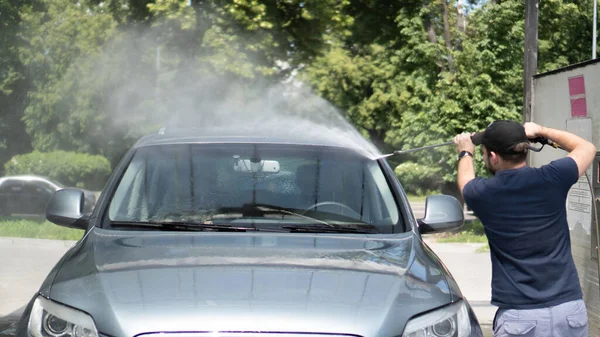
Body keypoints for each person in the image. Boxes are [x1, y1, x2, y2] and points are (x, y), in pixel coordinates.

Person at [453, 120, 596, 337]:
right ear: (524, 148)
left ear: (493, 156)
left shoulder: (484, 193)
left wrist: (465, 152)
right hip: (568, 312)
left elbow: (465, 181)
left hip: (521, 319)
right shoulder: (553, 178)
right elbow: (587, 148)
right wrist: (541, 130)